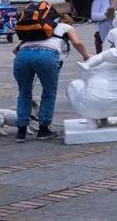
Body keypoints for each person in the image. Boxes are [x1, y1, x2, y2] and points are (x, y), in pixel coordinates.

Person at [13, 10, 89, 140]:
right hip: (47, 56)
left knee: (24, 93)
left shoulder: (38, 28)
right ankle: (43, 130)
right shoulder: (67, 27)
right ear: (67, 20)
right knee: (48, 92)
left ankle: (21, 132)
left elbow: (14, 50)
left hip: (22, 56)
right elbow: (77, 43)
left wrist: (30, 59)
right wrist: (86, 56)